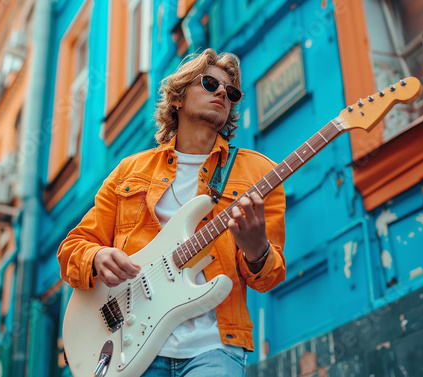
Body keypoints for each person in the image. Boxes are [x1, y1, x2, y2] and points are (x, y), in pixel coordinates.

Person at [57, 48, 286, 376]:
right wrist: (95, 257)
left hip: (214, 347)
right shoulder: (129, 171)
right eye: (209, 83)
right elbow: (71, 249)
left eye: (231, 91)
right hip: (130, 343)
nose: (222, 91)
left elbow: (270, 277)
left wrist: (256, 248)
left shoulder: (259, 174)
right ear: (177, 98)